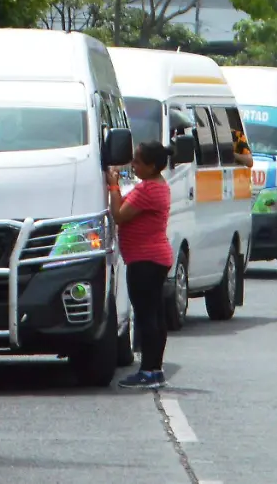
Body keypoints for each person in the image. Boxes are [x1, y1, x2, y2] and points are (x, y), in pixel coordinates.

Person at [107, 141, 174, 390]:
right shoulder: (158, 186)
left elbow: (120, 214)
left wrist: (113, 186)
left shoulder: (147, 189)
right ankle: (155, 369)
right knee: (155, 314)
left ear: (152, 166)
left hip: (145, 260)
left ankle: (147, 370)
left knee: (147, 316)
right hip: (154, 258)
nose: (133, 165)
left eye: (137, 161)